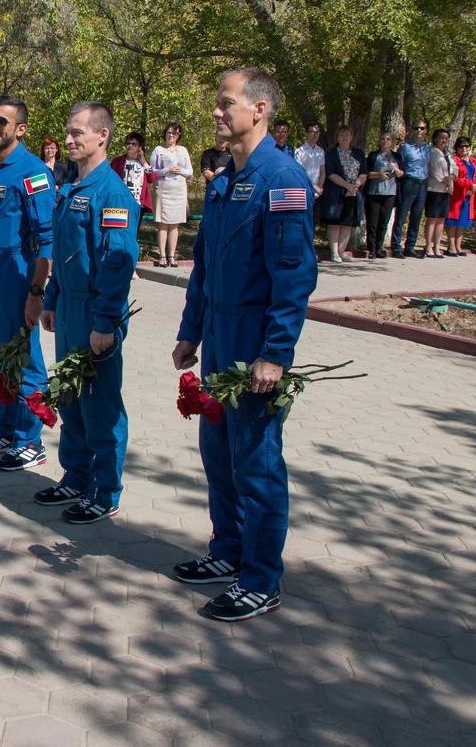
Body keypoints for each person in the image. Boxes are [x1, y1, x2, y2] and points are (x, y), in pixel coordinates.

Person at [172, 67, 317, 622]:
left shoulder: (283, 180)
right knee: (218, 455)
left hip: (255, 343)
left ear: (259, 110)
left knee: (256, 462)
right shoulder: (222, 182)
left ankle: (261, 578)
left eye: (225, 103)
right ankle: (227, 551)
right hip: (219, 339)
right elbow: (204, 265)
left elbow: (294, 276)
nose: (216, 112)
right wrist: (192, 328)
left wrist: (276, 352)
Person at [37, 101, 139, 523]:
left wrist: (105, 323)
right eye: (68, 131)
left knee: (100, 405)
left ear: (103, 136)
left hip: (97, 311)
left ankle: (105, 489)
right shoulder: (70, 187)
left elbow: (118, 263)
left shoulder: (112, 193)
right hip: (68, 310)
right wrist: (51, 299)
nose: (69, 139)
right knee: (71, 398)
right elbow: (64, 253)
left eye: (78, 132)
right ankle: (76, 476)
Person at [0, 95, 54, 472]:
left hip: (17, 279)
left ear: (21, 129)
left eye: (2, 121)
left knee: (24, 361)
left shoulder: (33, 172)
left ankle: (30, 439)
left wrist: (36, 293)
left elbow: (46, 240)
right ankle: (2, 429)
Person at [149, 122, 193, 267]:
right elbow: (152, 170)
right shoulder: (158, 150)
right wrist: (167, 170)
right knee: (163, 224)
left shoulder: (183, 150)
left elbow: (189, 172)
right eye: (169, 132)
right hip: (163, 188)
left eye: (174, 134)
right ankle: (162, 256)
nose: (171, 136)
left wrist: (179, 171)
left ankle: (172, 256)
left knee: (174, 225)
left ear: (178, 136)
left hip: (179, 189)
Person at [319, 126, 364, 262]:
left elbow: (364, 172)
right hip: (335, 192)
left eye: (347, 134)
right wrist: (347, 186)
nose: (345, 137)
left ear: (352, 137)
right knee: (334, 222)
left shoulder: (359, 153)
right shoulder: (331, 153)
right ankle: (334, 253)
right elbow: (331, 173)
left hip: (353, 192)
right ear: (337, 137)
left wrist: (356, 185)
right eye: (342, 134)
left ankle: (342, 252)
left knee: (347, 223)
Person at [392, 121, 431, 258]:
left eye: (422, 128)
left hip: (423, 183)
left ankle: (410, 247)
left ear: (426, 131)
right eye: (416, 128)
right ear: (411, 130)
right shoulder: (405, 147)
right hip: (409, 182)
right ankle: (396, 247)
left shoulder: (428, 148)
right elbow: (399, 165)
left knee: (416, 216)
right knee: (402, 215)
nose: (419, 130)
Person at [363, 132, 401, 258]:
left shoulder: (396, 156)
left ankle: (379, 249)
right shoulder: (373, 156)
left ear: (392, 142)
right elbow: (366, 173)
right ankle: (372, 249)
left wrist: (395, 169)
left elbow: (401, 174)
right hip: (374, 192)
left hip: (390, 193)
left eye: (388, 139)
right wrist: (378, 175)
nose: (385, 141)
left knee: (383, 222)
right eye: (383, 139)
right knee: (372, 222)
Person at [423, 129, 457, 258]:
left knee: (441, 219)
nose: (443, 140)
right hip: (434, 189)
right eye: (441, 137)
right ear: (435, 138)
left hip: (446, 190)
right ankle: (428, 247)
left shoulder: (447, 154)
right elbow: (433, 170)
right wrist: (445, 180)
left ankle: (437, 247)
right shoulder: (432, 152)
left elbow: (454, 167)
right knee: (432, 218)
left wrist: (452, 176)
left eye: (446, 138)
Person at [445, 137, 476, 256]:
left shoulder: (473, 161)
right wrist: (470, 185)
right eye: (461, 146)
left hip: (469, 195)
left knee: (463, 221)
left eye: (466, 146)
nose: (464, 148)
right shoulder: (455, 161)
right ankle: (451, 246)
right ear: (456, 148)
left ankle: (458, 246)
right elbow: (457, 178)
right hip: (457, 194)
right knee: (453, 220)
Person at [109, 131, 148, 206]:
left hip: (138, 204)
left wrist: (143, 161)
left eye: (134, 144)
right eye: (128, 143)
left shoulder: (144, 163)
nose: (130, 146)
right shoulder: (117, 161)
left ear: (140, 147)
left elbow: (152, 178)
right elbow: (109, 179)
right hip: (121, 202)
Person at [294, 122, 326, 194]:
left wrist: (319, 188)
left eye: (317, 132)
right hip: (304, 189)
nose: (315, 134)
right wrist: (315, 187)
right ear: (306, 133)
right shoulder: (299, 151)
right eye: (312, 132)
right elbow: (300, 173)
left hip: (318, 192)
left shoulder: (320, 151)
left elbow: (322, 172)